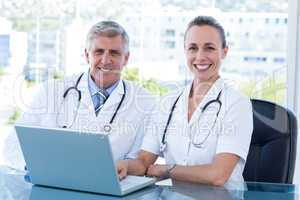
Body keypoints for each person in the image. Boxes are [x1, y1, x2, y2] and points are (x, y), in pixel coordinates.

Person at [117, 16, 253, 187]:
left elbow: (218, 175)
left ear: (224, 51)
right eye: (193, 48)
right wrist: (125, 165)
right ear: (185, 51)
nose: (200, 56)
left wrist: (167, 169)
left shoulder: (237, 103)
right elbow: (144, 162)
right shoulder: (168, 102)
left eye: (209, 48)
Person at [16, 21, 157, 162]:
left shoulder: (145, 102)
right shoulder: (51, 91)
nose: (105, 60)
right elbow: (15, 144)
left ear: (126, 58)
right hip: (52, 180)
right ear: (86, 55)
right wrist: (37, 168)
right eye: (99, 52)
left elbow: (138, 161)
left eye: (114, 53)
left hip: (110, 182)